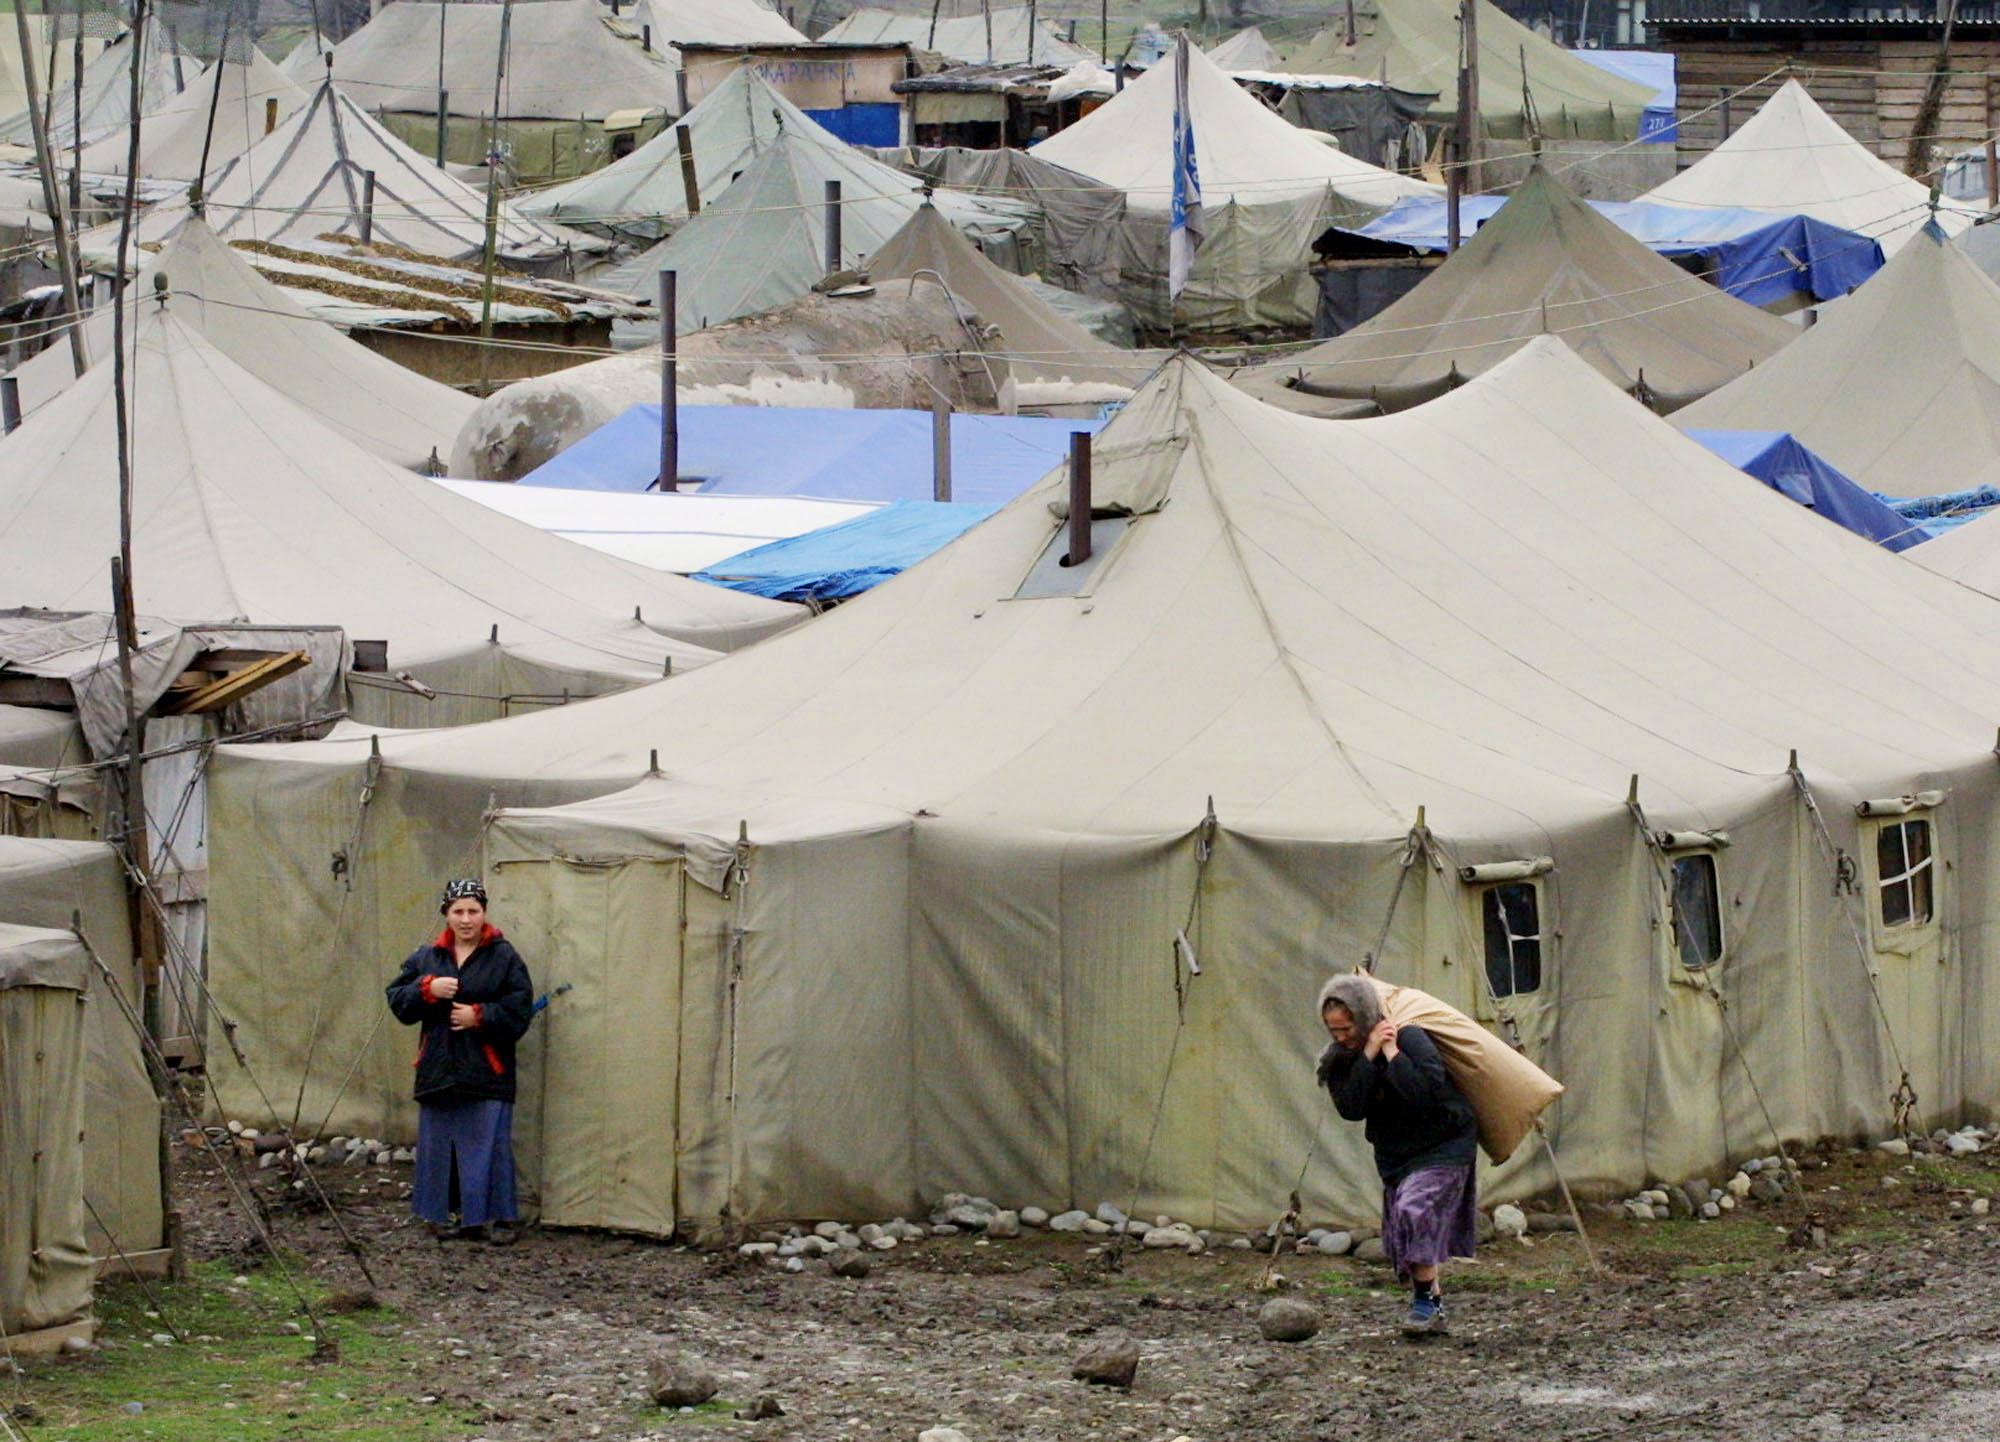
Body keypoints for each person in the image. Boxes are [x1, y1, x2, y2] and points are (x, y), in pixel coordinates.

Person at [1316, 973, 1478, 1336]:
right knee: (1408, 1226)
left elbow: (1422, 1093)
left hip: (1444, 1143)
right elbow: (1351, 1108)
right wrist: (1368, 1053)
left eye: (1346, 1029)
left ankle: (1423, 1301)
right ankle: (1433, 1304)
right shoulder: (1341, 1059)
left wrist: (1391, 1052)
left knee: (1414, 1209)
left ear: (1364, 1017)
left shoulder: (1409, 1037)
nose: (1340, 1037)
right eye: (1333, 1030)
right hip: (1395, 1155)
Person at [387, 879, 535, 1244]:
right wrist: (426, 990)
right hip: (438, 1069)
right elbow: (398, 1002)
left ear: (484, 913)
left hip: (488, 1072)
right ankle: (452, 1216)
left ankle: (499, 1219)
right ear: (446, 914)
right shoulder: (427, 958)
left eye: (473, 911)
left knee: (490, 1148)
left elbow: (519, 1011)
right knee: (444, 1150)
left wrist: (479, 1016)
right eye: (458, 911)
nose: (466, 919)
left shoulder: (505, 957)